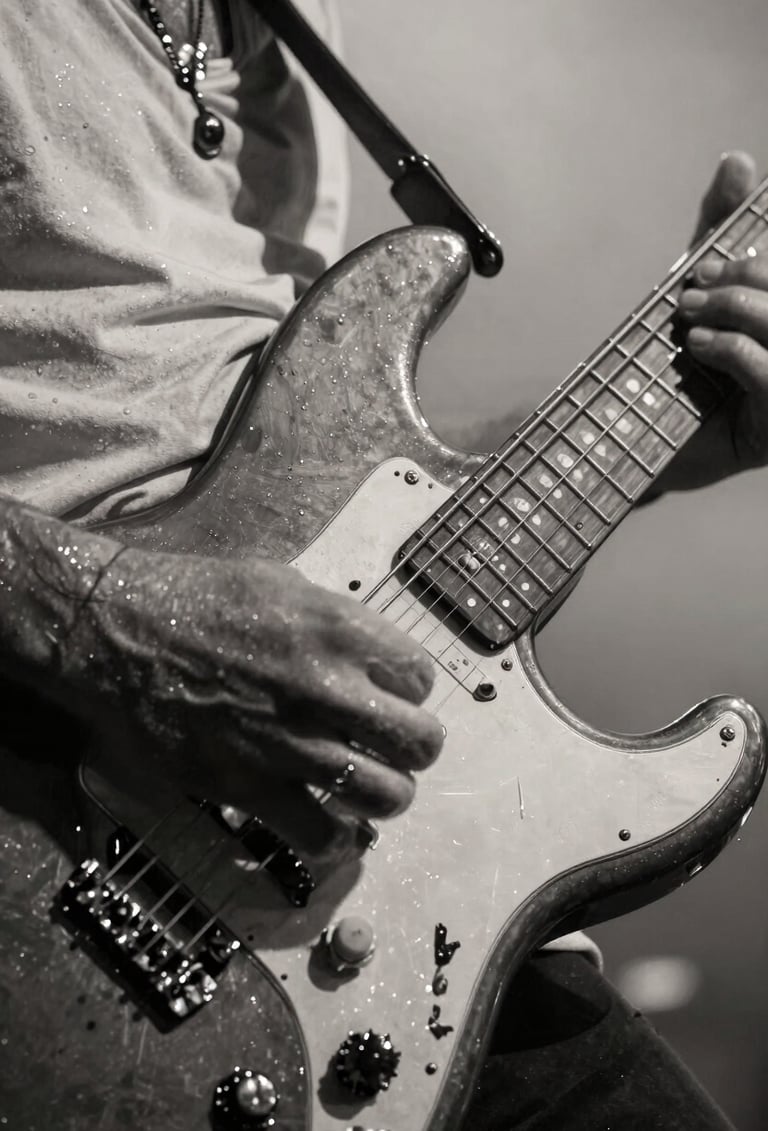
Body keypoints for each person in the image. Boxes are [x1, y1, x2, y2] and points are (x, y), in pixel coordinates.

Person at [0, 2, 766, 1128]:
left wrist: (657, 436)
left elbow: (298, 467)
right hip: (52, 806)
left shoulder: (296, 33)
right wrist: (100, 621)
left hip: (374, 902)